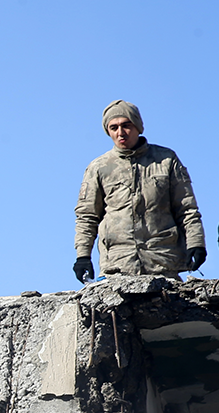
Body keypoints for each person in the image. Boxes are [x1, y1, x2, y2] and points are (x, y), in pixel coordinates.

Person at [74, 100, 205, 282]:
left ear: (137, 126)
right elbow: (87, 217)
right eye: (113, 127)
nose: (120, 133)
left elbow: (186, 208)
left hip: (163, 262)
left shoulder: (166, 160)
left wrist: (196, 243)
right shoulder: (98, 168)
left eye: (126, 125)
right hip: (117, 265)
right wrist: (83, 257)